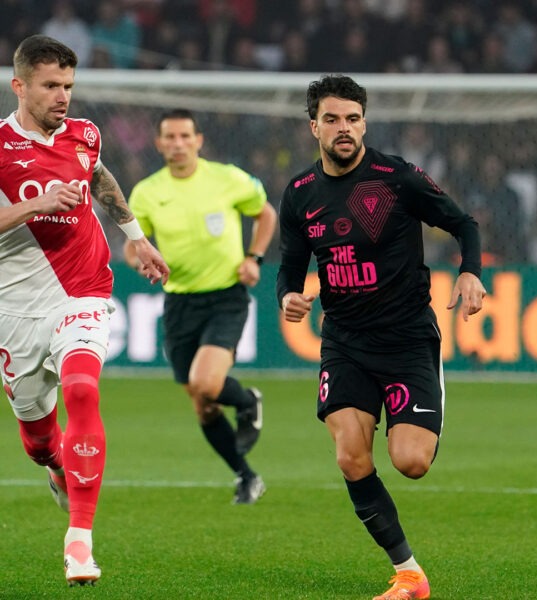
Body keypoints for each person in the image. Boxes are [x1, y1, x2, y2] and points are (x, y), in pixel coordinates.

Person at [277, 74, 486, 600]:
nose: (343, 128)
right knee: (351, 456)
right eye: (331, 119)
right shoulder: (299, 194)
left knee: (411, 462)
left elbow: (464, 224)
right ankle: (409, 573)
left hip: (407, 339)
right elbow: (290, 268)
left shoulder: (397, 178)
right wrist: (288, 296)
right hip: (344, 342)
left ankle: (423, 412)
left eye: (352, 118)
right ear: (314, 127)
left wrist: (470, 271)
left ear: (365, 123)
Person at [0, 34, 169, 585]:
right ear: (19, 86)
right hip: (15, 308)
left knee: (82, 390)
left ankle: (79, 542)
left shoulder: (85, 134)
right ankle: (55, 467)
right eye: (51, 85)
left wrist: (136, 237)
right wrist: (37, 204)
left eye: (68, 86)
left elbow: (98, 175)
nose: (63, 96)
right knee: (38, 442)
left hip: (84, 289)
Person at [123, 108, 277, 504]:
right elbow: (132, 246)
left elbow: (265, 214)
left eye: (184, 136)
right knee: (203, 405)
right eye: (170, 137)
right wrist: (140, 262)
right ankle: (246, 476)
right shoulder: (147, 192)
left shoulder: (227, 179)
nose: (178, 144)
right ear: (159, 144)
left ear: (198, 141)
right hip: (179, 303)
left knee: (206, 383)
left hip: (225, 296)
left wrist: (254, 258)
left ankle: (247, 401)